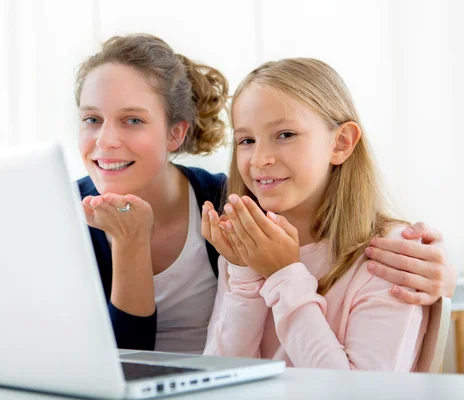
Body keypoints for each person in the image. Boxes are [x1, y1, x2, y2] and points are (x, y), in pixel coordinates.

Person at [74, 34, 457, 353]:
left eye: (133, 120)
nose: (107, 140)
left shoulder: (232, 207)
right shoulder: (56, 211)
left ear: (176, 133)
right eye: (92, 119)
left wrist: (441, 276)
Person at [203, 58, 437, 371]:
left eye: (285, 134)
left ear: (341, 143)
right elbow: (220, 378)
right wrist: (245, 274)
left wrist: (284, 275)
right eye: (246, 140)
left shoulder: (390, 255)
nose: (259, 159)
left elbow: (358, 395)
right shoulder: (244, 247)